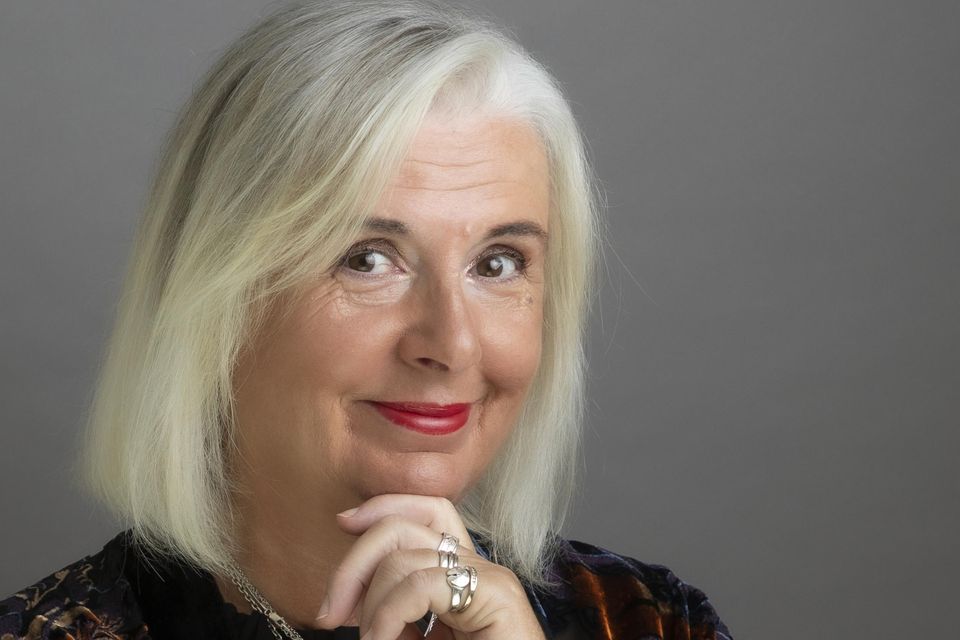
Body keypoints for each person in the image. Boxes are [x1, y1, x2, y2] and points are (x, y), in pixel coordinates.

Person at [0, 1, 732, 638]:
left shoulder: (651, 622)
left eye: (497, 263)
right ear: (215, 298)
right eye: (368, 259)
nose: (452, 344)